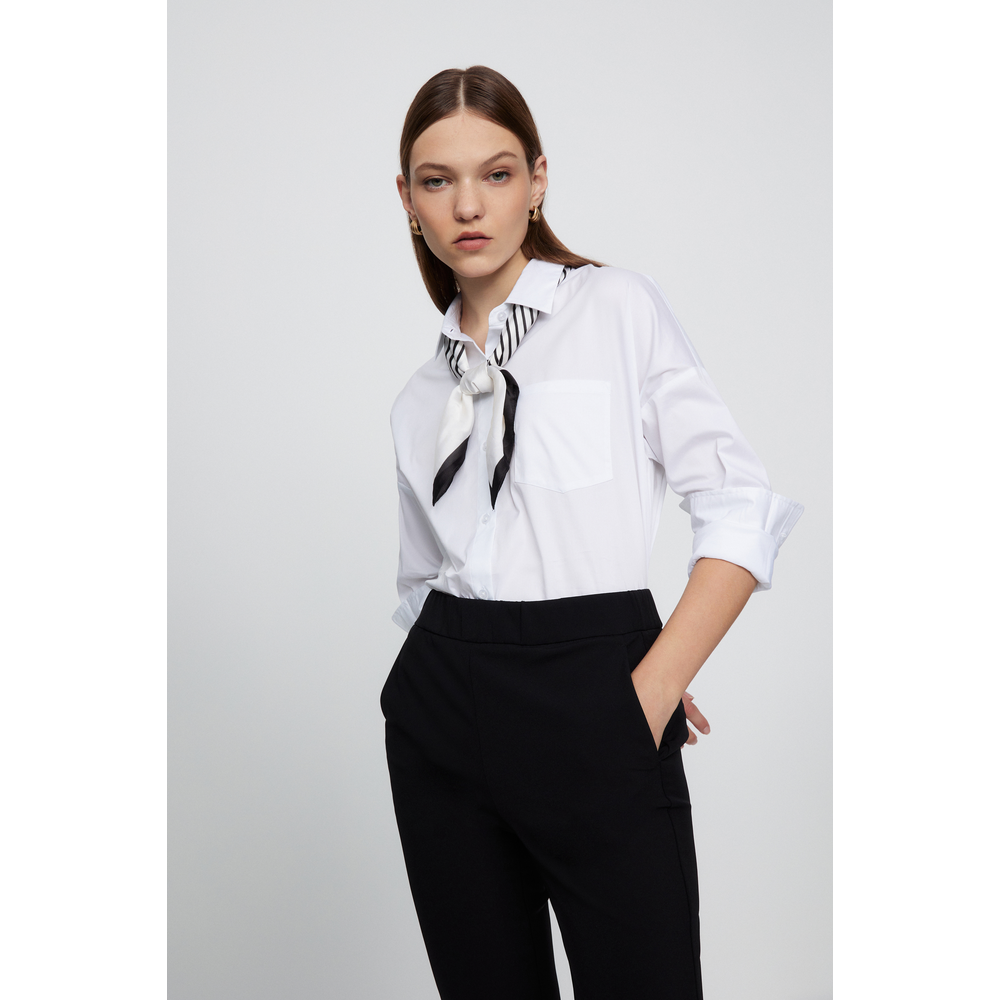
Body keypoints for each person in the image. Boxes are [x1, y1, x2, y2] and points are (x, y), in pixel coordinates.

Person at [380, 65, 803, 1000]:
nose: (468, 205)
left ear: (537, 181)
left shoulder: (615, 309)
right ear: (407, 200)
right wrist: (473, 683)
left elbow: (738, 502)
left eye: (496, 174)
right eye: (438, 181)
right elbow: (424, 585)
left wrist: (649, 680)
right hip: (443, 715)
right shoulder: (419, 398)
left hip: (596, 702)